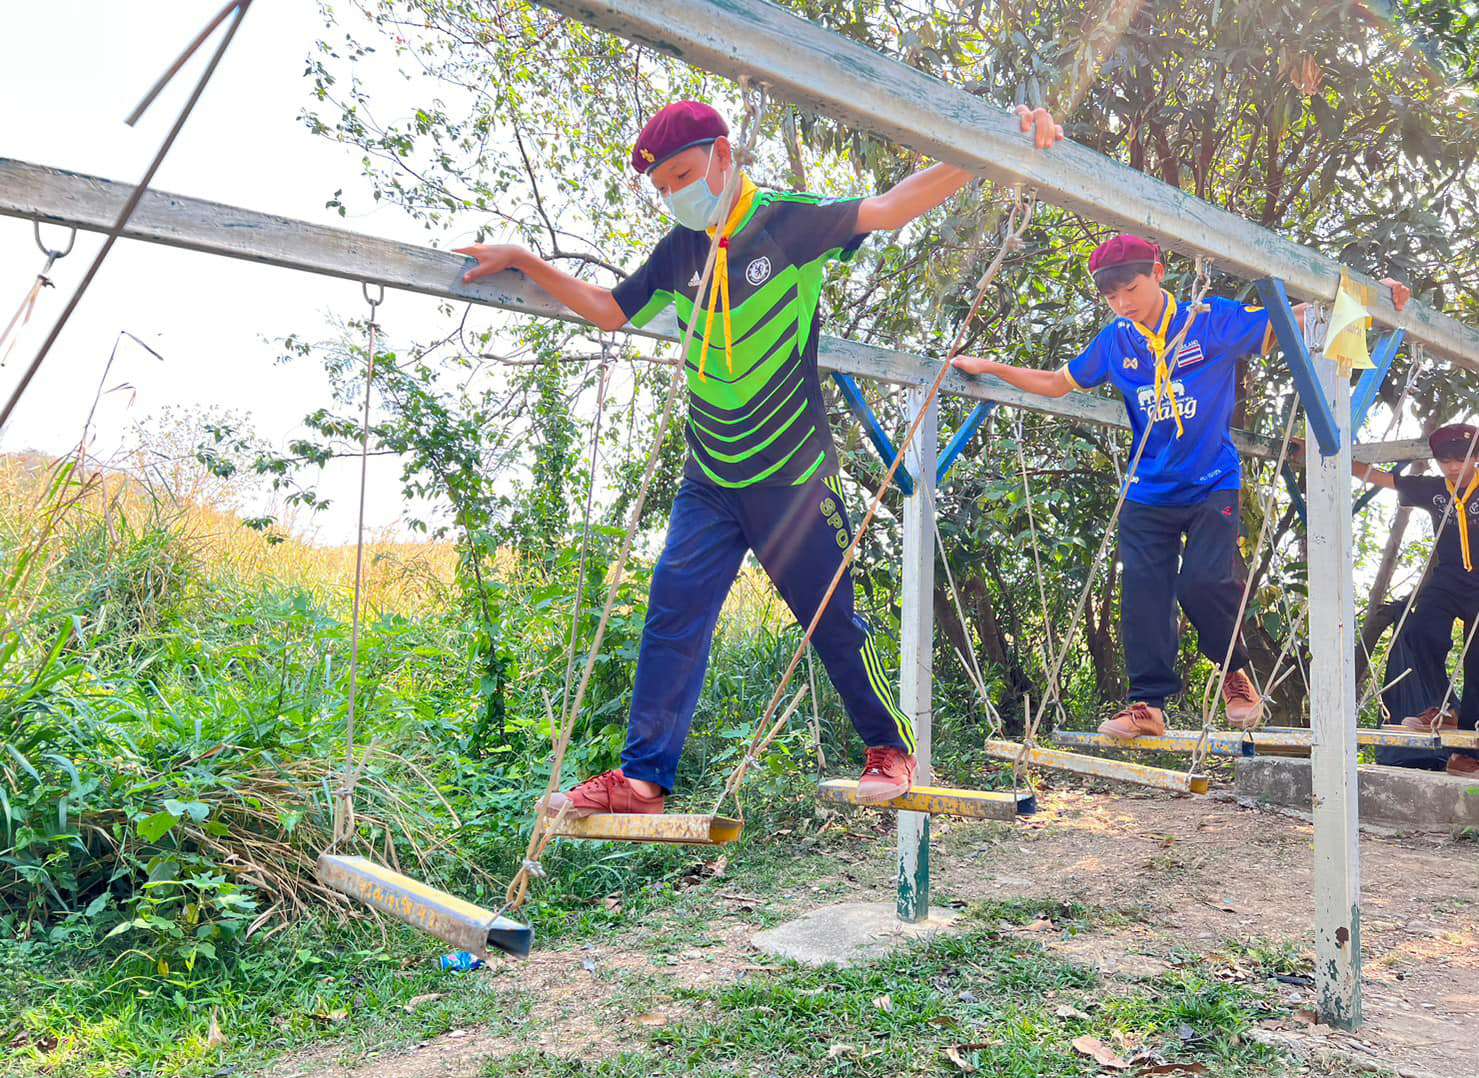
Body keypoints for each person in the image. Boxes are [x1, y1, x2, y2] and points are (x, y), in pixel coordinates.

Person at [456, 100, 1063, 814]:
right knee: (672, 610)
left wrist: (990, 150)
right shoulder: (680, 250)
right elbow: (611, 310)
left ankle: (888, 746)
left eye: (682, 175)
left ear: (723, 155)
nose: (675, 195)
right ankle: (643, 780)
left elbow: (892, 207)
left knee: (832, 619)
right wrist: (525, 260)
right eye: (662, 188)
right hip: (710, 476)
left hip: (790, 475)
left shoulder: (788, 221)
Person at [952, 234, 1409, 739]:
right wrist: (989, 367)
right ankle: (1147, 706)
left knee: (1204, 583)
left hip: (1212, 483)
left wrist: (1370, 299)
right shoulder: (1116, 341)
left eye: (1130, 289)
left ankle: (1235, 673)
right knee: (1144, 595)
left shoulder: (1208, 320)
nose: (1122, 304)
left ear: (1159, 273)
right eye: (1111, 297)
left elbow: (1292, 317)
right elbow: (1057, 383)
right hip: (1147, 491)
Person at [1353, 423, 1479, 779]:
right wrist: (1334, 455)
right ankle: (1445, 707)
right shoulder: (1434, 489)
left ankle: (1465, 755)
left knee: (1477, 663)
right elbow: (1382, 478)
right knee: (1420, 632)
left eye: (1461, 459)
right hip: (1448, 580)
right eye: (1445, 460)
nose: (1453, 467)